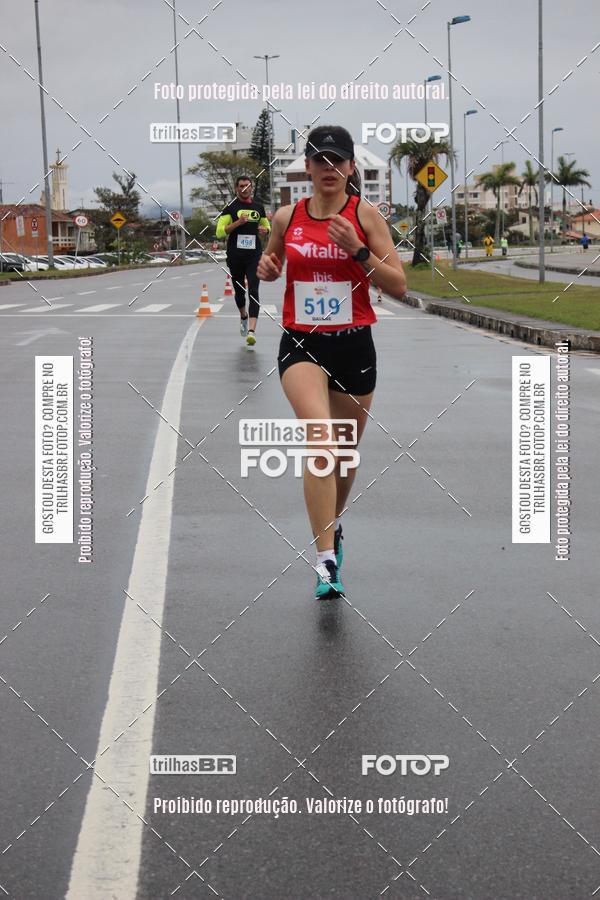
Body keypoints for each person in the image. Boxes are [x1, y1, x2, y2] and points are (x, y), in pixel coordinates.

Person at [257, 125, 407, 600]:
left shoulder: (364, 215)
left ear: (350, 167)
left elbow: (399, 284)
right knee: (320, 441)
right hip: (302, 343)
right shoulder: (287, 216)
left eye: (336, 160)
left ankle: (333, 525)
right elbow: (271, 263)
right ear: (307, 166)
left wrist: (358, 252)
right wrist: (268, 267)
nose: (328, 168)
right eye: (319, 160)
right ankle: (325, 560)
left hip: (353, 344)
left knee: (343, 454)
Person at [216, 176, 270, 348]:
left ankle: (252, 331)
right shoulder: (230, 208)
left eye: (247, 185)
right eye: (241, 186)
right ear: (236, 189)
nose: (245, 188)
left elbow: (267, 226)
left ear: (251, 188)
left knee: (253, 290)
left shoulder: (259, 207)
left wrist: (265, 230)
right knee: (240, 292)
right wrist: (238, 223)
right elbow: (220, 232)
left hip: (254, 255)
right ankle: (243, 316)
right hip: (235, 256)